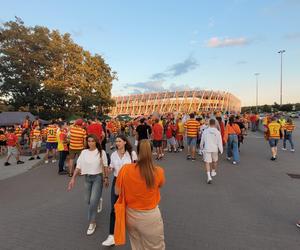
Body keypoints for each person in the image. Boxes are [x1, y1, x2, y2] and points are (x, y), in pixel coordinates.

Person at [115, 139, 165, 249]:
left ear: (137, 153)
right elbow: (159, 185)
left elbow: (117, 191)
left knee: (136, 245)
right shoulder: (158, 171)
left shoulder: (125, 169)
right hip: (150, 216)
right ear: (152, 152)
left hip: (130, 215)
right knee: (155, 246)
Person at [67, 134, 109, 236]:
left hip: (98, 178)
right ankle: (98, 199)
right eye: (89, 141)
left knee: (93, 201)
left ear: (96, 142)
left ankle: (92, 222)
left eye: (92, 141)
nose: (90, 143)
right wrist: (73, 179)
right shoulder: (84, 152)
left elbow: (105, 166)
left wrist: (106, 178)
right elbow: (79, 166)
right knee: (88, 200)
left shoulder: (101, 152)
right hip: (87, 178)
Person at [102, 135, 137, 246]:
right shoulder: (113, 155)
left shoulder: (132, 154)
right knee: (114, 208)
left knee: (131, 208)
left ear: (125, 142)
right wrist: (109, 170)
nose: (117, 143)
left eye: (119, 141)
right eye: (116, 141)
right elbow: (111, 167)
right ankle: (111, 235)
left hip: (129, 182)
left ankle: (135, 234)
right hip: (117, 182)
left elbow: (137, 168)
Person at [200, 119, 223, 184]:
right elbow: (219, 141)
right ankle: (213, 171)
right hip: (215, 149)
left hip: (207, 148)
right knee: (215, 161)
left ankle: (209, 177)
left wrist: (201, 147)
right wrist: (221, 149)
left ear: (209, 123)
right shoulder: (217, 132)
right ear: (215, 124)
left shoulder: (205, 131)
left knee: (207, 162)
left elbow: (202, 140)